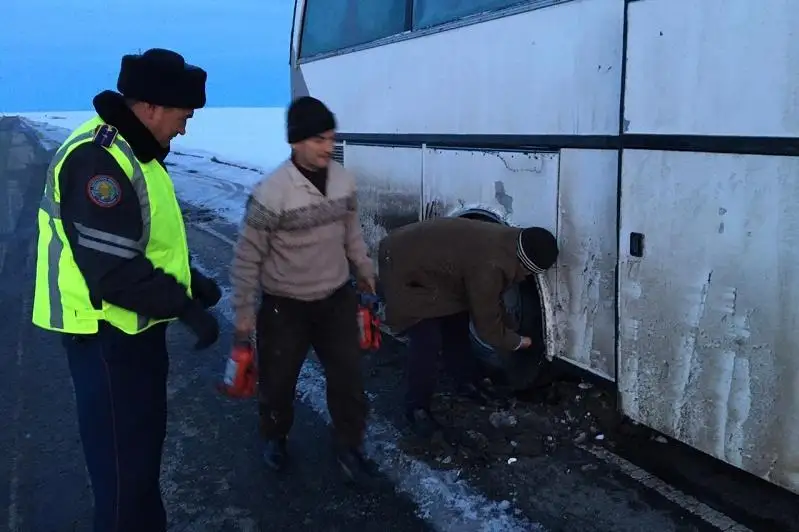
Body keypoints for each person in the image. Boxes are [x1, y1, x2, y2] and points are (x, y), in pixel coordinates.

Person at [31, 48, 221, 532]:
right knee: (123, 480)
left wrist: (189, 283)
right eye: (183, 116)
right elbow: (112, 270)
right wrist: (183, 306)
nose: (184, 128)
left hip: (131, 336)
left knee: (139, 470)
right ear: (152, 106)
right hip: (105, 340)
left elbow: (139, 243)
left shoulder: (137, 154)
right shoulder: (98, 160)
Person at [229, 96, 376, 482]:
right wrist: (244, 316)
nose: (328, 147)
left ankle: (349, 444)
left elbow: (352, 233)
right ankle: (275, 436)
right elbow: (247, 258)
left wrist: (364, 270)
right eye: (318, 140)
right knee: (277, 383)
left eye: (330, 137)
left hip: (336, 299)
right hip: (284, 307)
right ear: (295, 142)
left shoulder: (344, 181)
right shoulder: (271, 193)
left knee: (348, 380)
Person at [377, 217, 559, 437]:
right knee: (427, 338)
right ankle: (417, 407)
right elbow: (487, 326)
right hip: (403, 263)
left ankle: (465, 382)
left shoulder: (508, 246)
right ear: (525, 264)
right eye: (531, 272)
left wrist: (510, 326)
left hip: (435, 268)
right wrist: (519, 342)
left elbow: (492, 301)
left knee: (456, 324)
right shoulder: (491, 264)